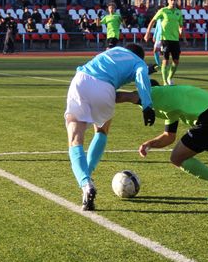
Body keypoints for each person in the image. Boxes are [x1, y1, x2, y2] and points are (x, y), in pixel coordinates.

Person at [117, 81, 208, 200]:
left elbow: (125, 96)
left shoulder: (153, 94)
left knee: (177, 158)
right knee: (205, 141)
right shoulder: (169, 103)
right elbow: (169, 136)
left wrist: (99, 95)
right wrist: (150, 144)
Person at [65, 44, 155, 211]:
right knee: (101, 131)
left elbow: (114, 67)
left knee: (75, 140)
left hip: (80, 80)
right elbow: (140, 74)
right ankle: (88, 174)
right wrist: (147, 105)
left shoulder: (114, 50)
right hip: (104, 88)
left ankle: (86, 184)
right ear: (141, 57)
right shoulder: (139, 63)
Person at [144, 0, 185, 86]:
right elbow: (152, 21)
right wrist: (147, 33)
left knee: (176, 61)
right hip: (165, 39)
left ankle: (169, 78)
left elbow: (181, 25)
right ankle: (165, 81)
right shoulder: (163, 11)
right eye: (171, 0)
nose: (173, 2)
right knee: (165, 60)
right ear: (168, 1)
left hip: (175, 40)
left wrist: (182, 32)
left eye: (175, 0)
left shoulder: (179, 12)